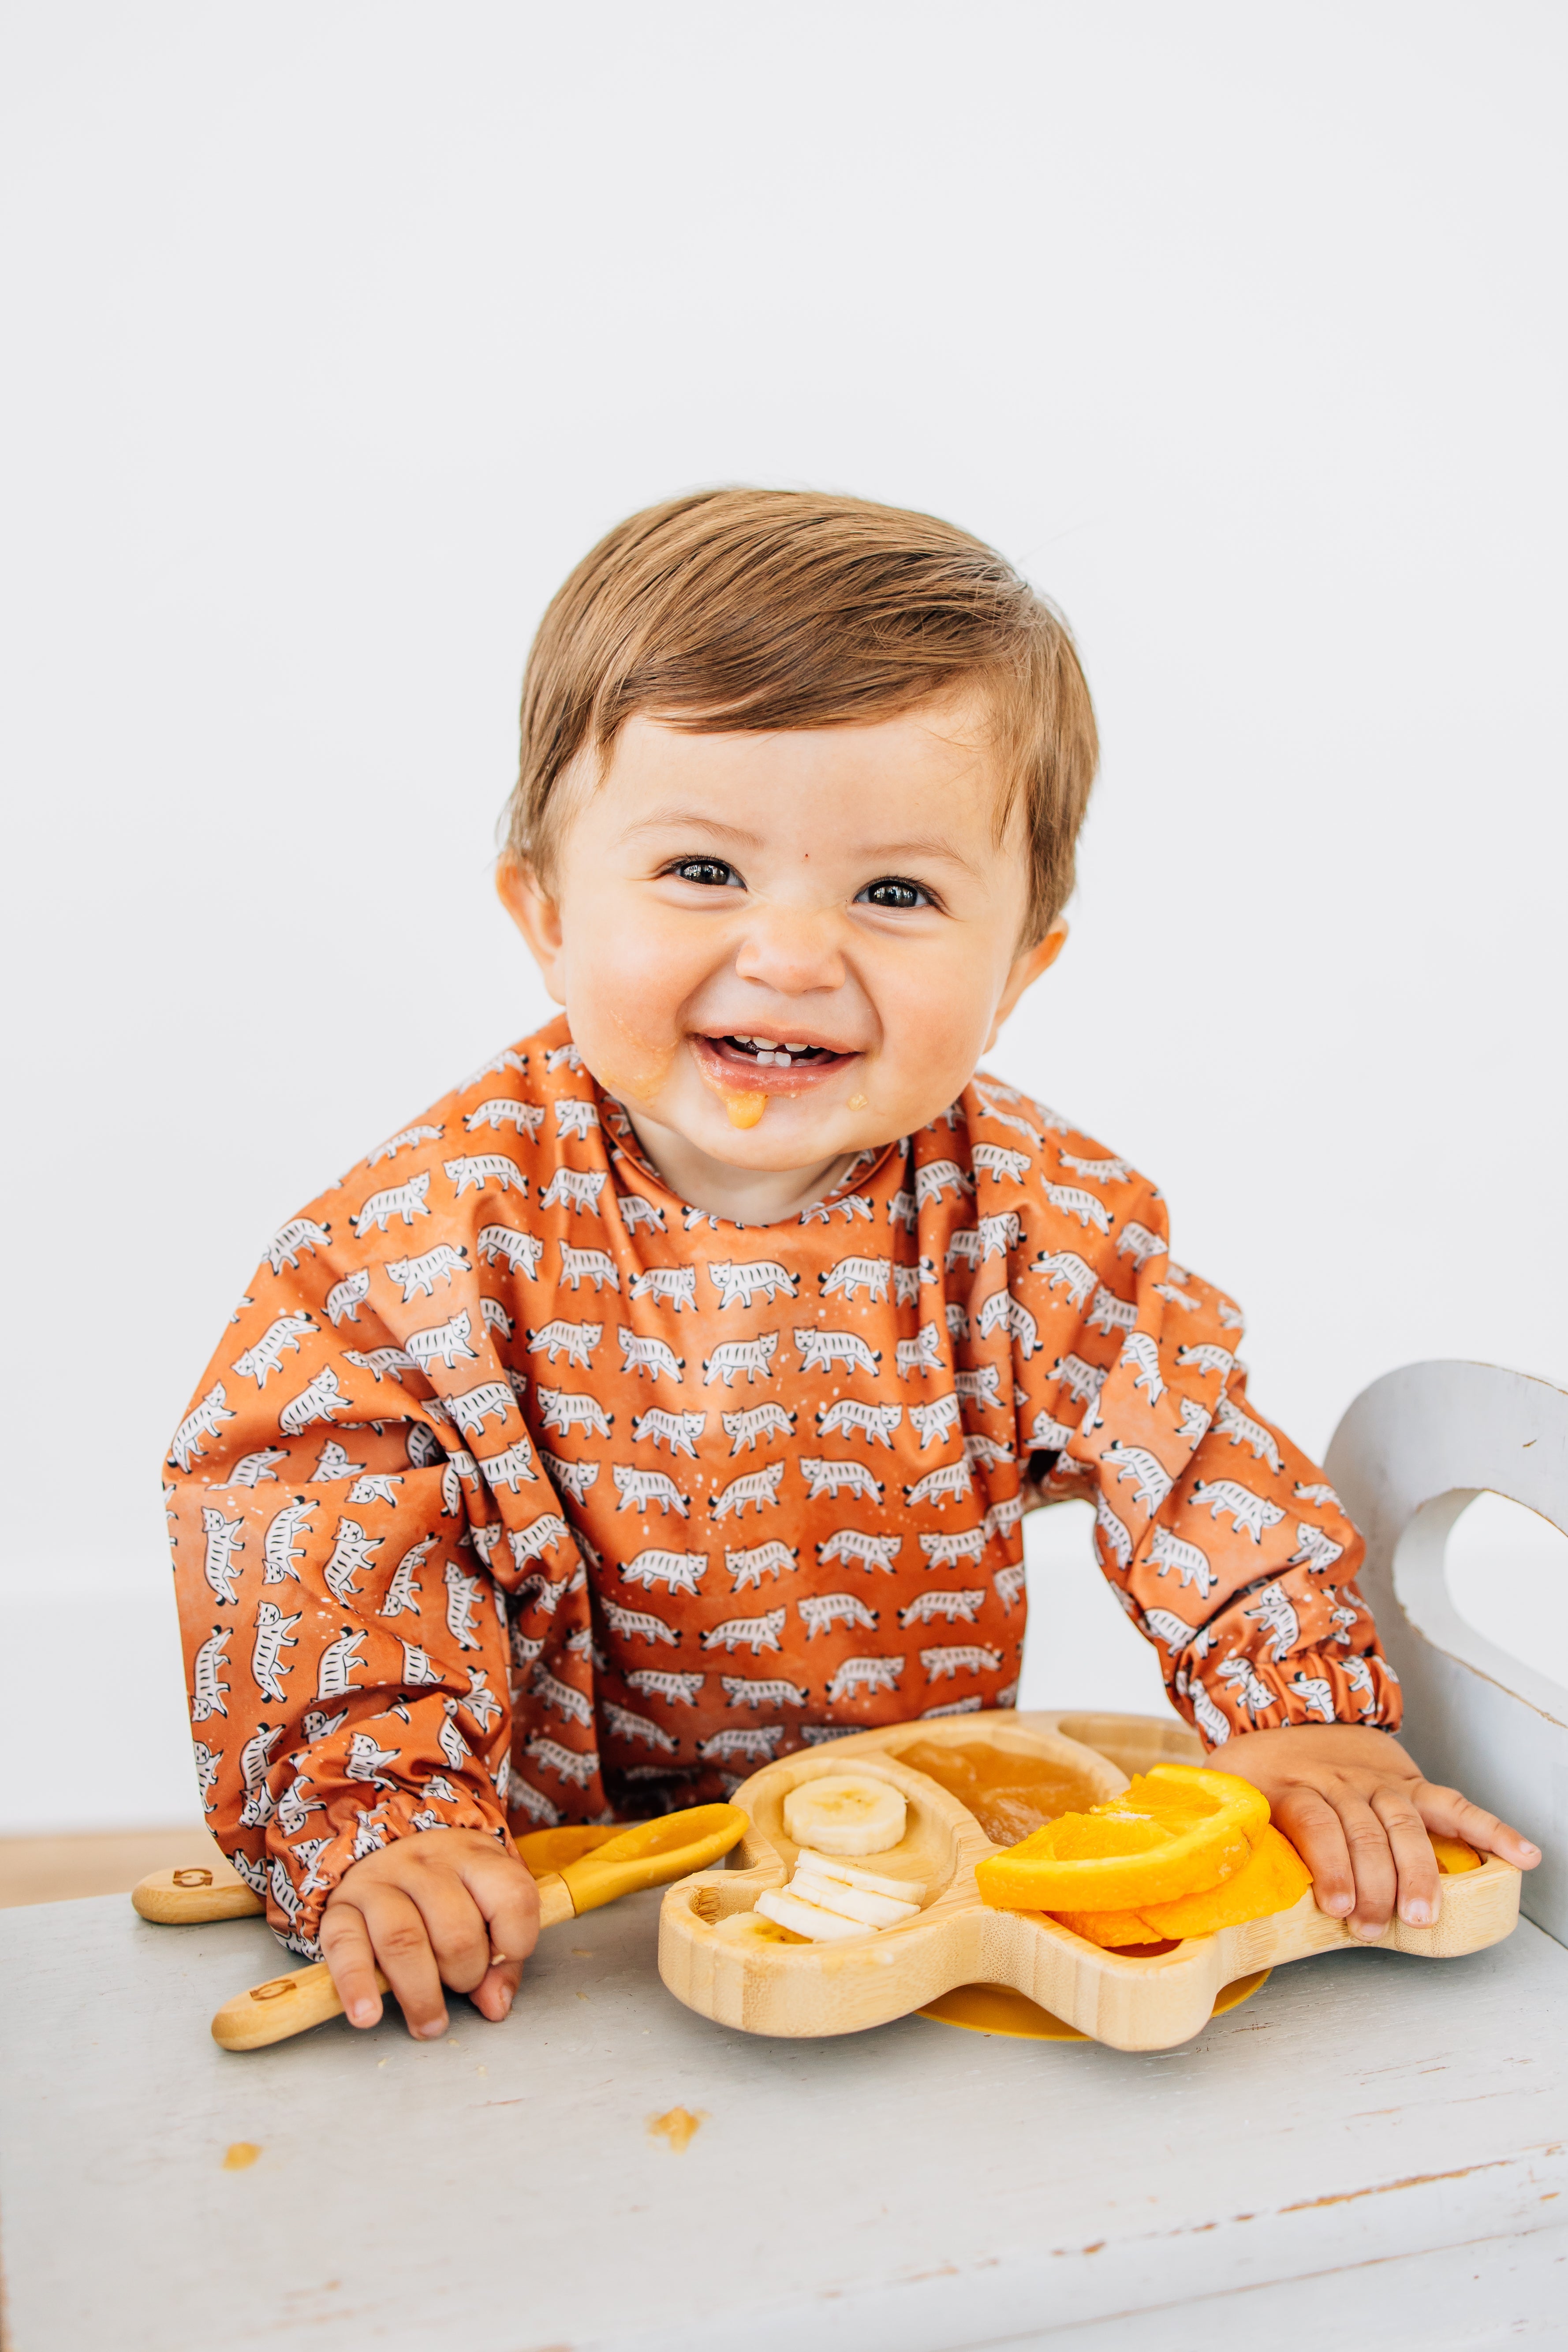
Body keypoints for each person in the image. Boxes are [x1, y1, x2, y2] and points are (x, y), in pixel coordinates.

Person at [164, 489, 1539, 2039]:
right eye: (701, 871)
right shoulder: (410, 1248)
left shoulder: (1036, 1222)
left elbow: (1192, 1457)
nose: (794, 953)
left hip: (906, 1869)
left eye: (896, 895)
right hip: (547, 1894)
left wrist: (1302, 1719)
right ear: (543, 913)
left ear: (1020, 968)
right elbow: (320, 1517)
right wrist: (386, 1822)